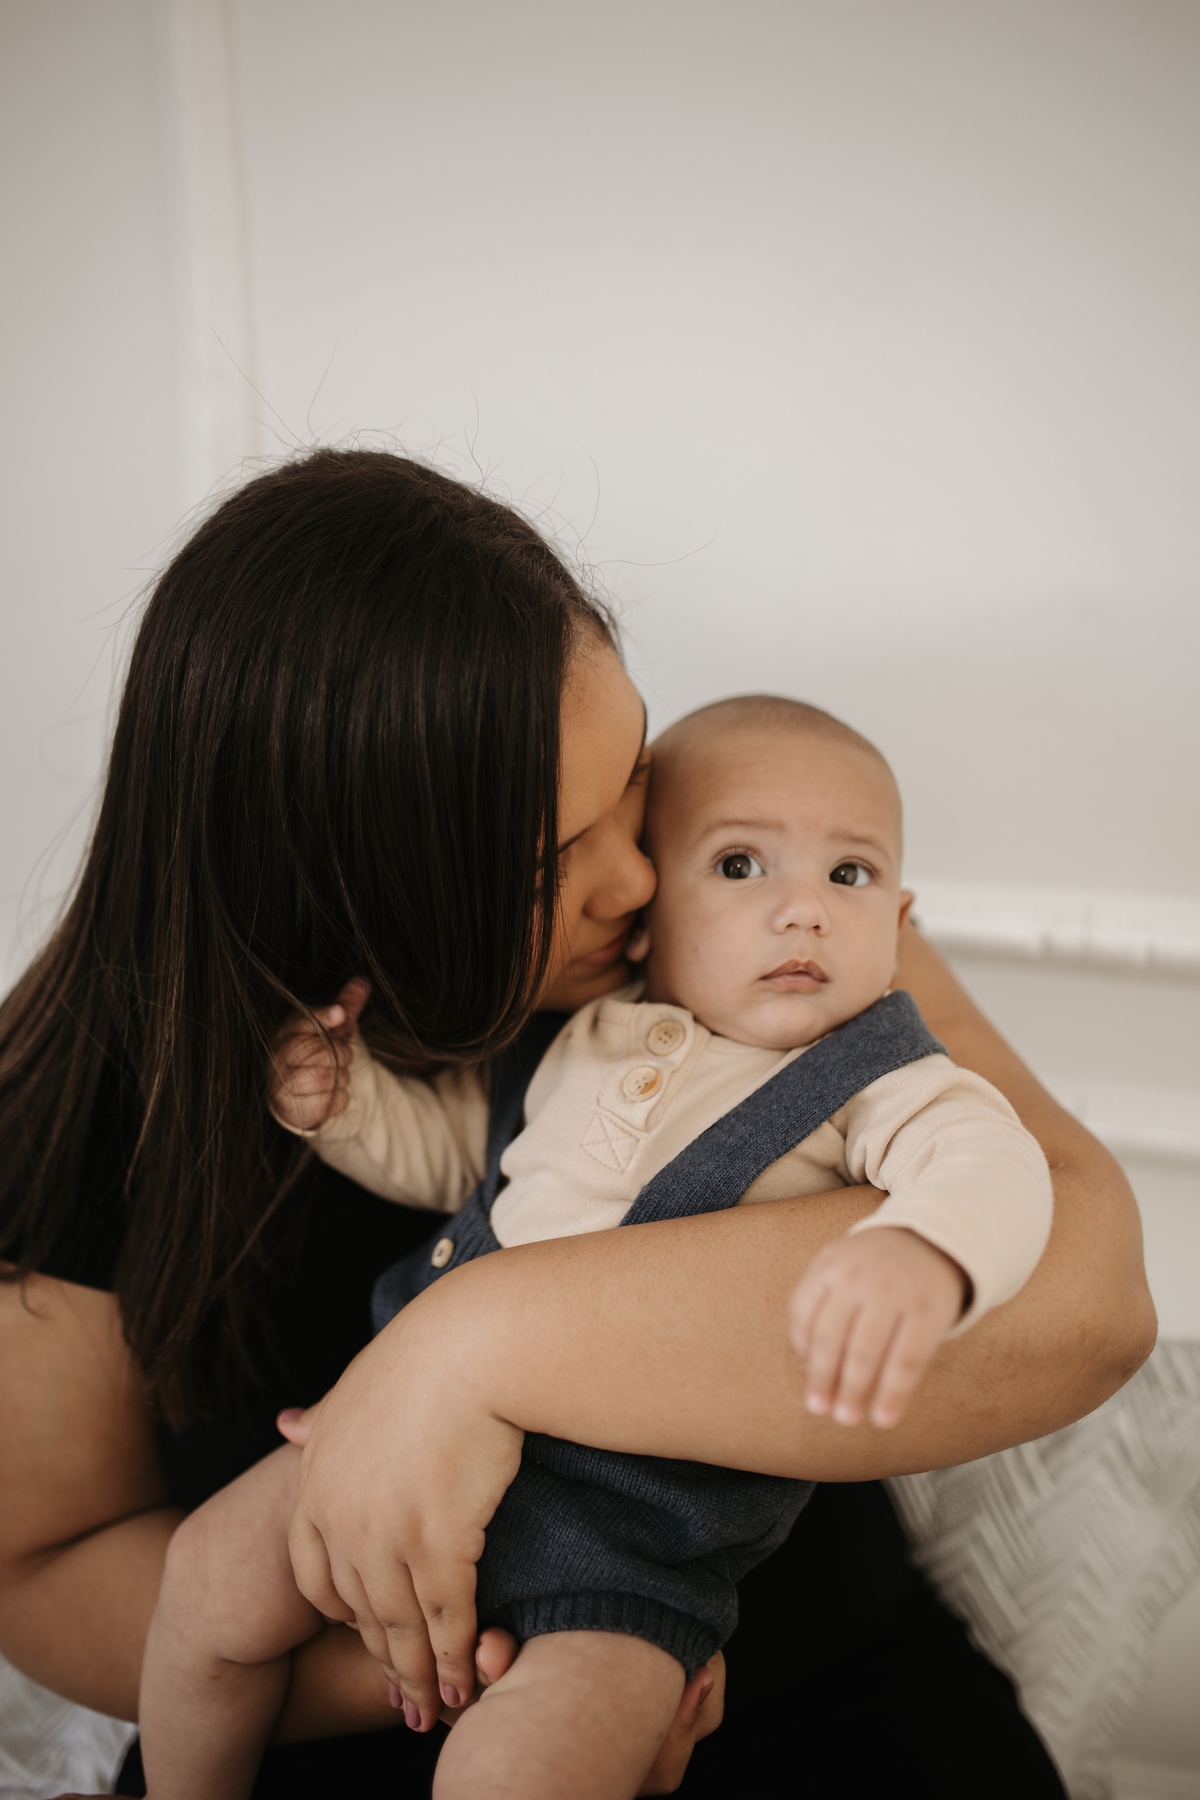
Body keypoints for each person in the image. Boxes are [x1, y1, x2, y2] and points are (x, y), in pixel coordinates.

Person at [0, 449, 1153, 1798]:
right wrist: (471, 1668)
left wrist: (465, 1351)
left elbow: (1087, 1295)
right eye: (555, 857)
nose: (640, 878)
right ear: (358, 890)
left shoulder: (779, 930)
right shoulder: (87, 1091)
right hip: (372, 1705)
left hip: (773, 1658)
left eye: (636, 783)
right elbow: (47, 1567)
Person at [134, 694, 1054, 1800]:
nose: (803, 911)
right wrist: (341, 1105)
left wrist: (926, 1248)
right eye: (740, 867)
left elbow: (993, 1165)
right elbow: (456, 1162)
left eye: (848, 876)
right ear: (649, 911)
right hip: (390, 1456)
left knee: (523, 1771)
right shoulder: (576, 1036)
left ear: (899, 919)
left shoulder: (883, 1082)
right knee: (204, 1583)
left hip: (627, 1547)